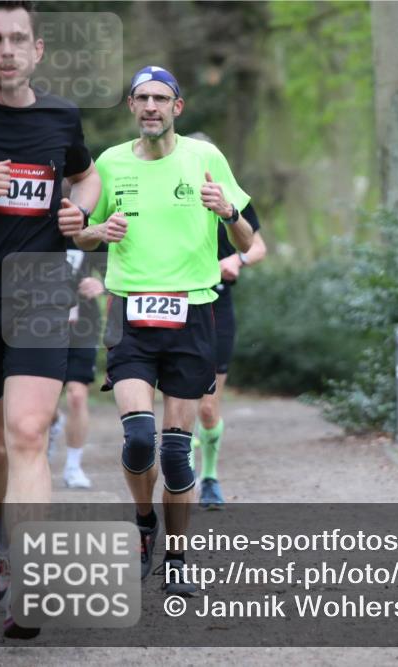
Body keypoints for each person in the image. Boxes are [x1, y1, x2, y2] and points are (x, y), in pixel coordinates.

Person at [75, 65, 253, 596]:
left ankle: (176, 557)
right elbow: (81, 234)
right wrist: (97, 233)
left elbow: (244, 240)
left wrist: (227, 213)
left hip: (193, 313)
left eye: (161, 98)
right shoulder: (108, 164)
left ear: (178, 106)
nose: (151, 106)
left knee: (176, 452)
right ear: (131, 106)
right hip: (129, 312)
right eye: (141, 98)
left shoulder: (205, 158)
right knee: (136, 439)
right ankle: (144, 524)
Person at [0, 0, 100, 639]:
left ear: (38, 49)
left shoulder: (60, 115)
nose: (7, 50)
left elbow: (87, 174)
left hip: (41, 287)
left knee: (27, 432)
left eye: (18, 39)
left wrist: (77, 214)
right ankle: (1, 539)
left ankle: (30, 582)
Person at [185, 132, 267, 510]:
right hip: (178, 303)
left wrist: (237, 260)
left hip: (218, 305)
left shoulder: (232, 197)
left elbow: (258, 246)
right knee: (181, 399)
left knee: (207, 407)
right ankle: (182, 471)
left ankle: (211, 475)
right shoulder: (172, 194)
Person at [52, 239, 107, 489]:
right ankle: (53, 422)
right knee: (46, 401)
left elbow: (117, 267)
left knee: (77, 395)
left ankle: (73, 467)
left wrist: (101, 284)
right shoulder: (38, 226)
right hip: (41, 324)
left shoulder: (89, 227)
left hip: (83, 323)